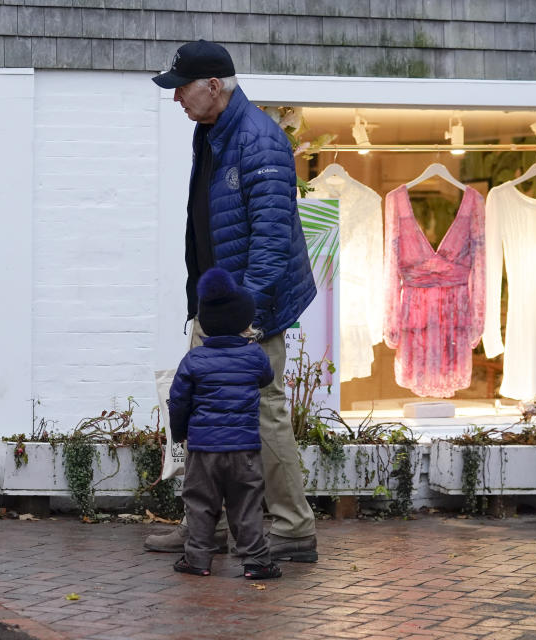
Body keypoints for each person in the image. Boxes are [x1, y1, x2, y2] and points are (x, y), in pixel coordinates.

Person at [147, 40, 319, 563]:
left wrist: (248, 316)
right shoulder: (213, 132)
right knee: (207, 413)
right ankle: (204, 526)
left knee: (263, 413)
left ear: (214, 86)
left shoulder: (258, 140)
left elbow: (270, 240)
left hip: (246, 310)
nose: (176, 98)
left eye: (182, 88)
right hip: (220, 303)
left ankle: (292, 528)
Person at [168, 267, 281, 580]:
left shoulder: (194, 359)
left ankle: (197, 560)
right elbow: (266, 379)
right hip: (244, 448)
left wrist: (180, 433)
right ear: (244, 323)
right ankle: (256, 562)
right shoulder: (254, 356)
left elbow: (178, 401)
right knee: (246, 505)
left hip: (204, 450)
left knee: (201, 504)